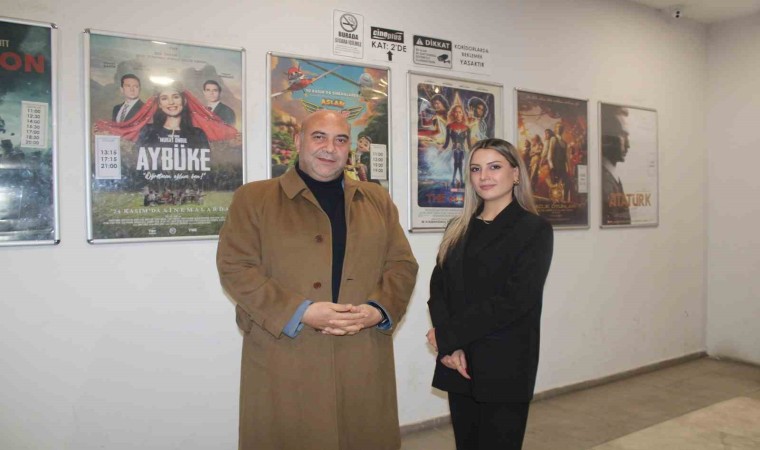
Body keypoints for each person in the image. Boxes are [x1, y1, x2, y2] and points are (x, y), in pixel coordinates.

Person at [216, 109, 418, 450]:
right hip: (285, 353)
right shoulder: (254, 198)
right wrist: (301, 312)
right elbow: (236, 267)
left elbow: (402, 264)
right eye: (319, 137)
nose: (330, 148)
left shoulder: (376, 199)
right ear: (298, 141)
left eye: (340, 140)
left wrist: (378, 310)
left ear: (349, 148)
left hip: (361, 353)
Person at [426, 138, 554, 449]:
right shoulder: (457, 227)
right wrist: (451, 347)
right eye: (476, 169)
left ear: (515, 174)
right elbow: (439, 288)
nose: (484, 176)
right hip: (458, 361)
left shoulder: (533, 229)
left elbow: (516, 300)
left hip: (504, 363)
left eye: (494, 167)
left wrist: (449, 335)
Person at [136, 85, 210, 151]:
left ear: (184, 101)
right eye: (164, 98)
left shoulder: (198, 134)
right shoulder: (148, 131)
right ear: (159, 104)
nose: (171, 102)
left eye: (176, 97)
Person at [601, 104, 632, 225]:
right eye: (623, 135)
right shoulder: (604, 182)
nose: (628, 145)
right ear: (607, 138)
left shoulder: (610, 177)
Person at [443, 105, 471, 187]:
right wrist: (441, 150)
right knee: (455, 165)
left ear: (462, 114)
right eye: (456, 112)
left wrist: (474, 151)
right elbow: (447, 142)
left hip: (462, 151)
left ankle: (461, 181)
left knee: (461, 165)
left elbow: (469, 144)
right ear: (453, 114)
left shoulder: (467, 128)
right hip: (454, 150)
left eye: (459, 112)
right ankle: (454, 181)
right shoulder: (449, 126)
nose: (458, 114)